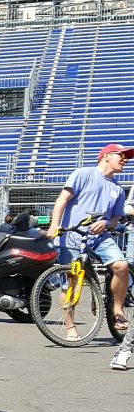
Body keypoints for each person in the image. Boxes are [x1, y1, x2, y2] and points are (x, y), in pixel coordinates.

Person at [46, 143, 133, 339]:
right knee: (70, 284)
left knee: (121, 265)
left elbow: (115, 219)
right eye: (121, 155)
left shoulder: (117, 189)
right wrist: (54, 225)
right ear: (106, 156)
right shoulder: (83, 174)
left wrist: (105, 223)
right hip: (72, 236)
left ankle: (117, 311)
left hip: (100, 238)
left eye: (127, 157)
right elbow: (62, 200)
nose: (125, 160)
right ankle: (70, 328)